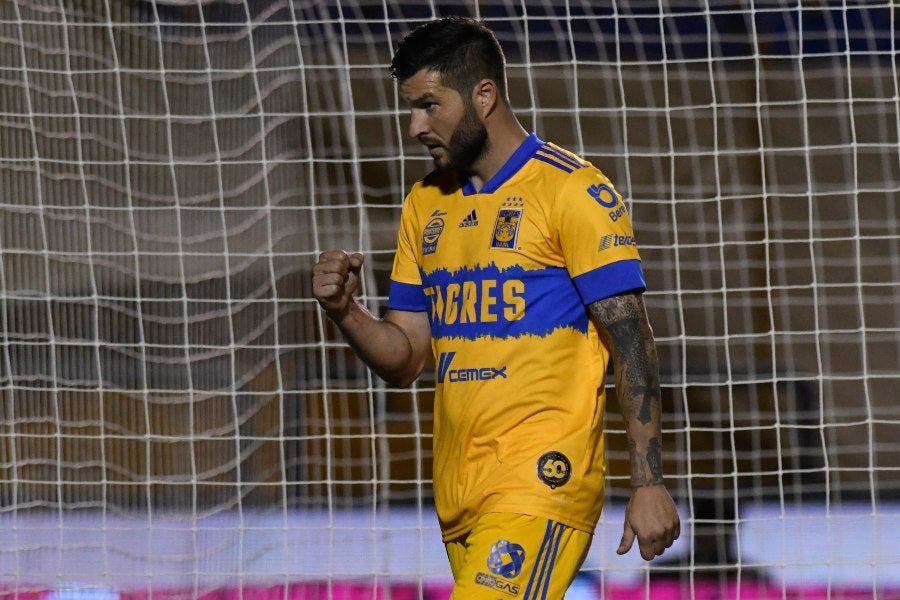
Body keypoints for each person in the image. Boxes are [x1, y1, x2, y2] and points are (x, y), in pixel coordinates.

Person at [312, 15, 680, 598]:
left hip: (542, 482)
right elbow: (406, 358)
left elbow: (632, 338)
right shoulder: (424, 205)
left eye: (429, 105)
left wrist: (649, 481)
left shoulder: (572, 191)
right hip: (459, 493)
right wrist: (344, 312)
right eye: (410, 109)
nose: (415, 127)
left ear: (484, 95)